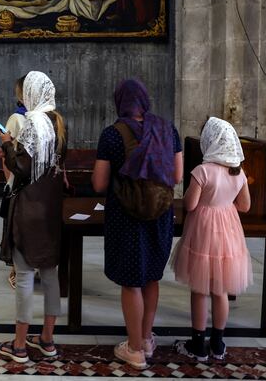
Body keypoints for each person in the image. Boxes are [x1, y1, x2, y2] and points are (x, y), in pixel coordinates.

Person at [91, 78, 183, 370]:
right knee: (151, 276)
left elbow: (99, 183)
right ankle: (145, 339)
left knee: (132, 281)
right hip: (159, 213)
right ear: (145, 100)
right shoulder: (168, 130)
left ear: (120, 102)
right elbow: (177, 176)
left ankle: (133, 350)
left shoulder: (112, 135)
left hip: (127, 216)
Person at [0, 71, 67, 364]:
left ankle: (19, 345)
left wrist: (7, 143)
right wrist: (11, 150)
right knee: (49, 274)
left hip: (29, 207)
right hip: (50, 208)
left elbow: (22, 168)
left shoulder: (33, 122)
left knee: (23, 276)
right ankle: (47, 340)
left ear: (32, 94)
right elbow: (47, 162)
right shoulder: (58, 122)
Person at [171, 117, 252, 362]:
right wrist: (225, 203)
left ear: (210, 142)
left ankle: (197, 344)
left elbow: (190, 203)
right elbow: (245, 206)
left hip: (204, 230)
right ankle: (218, 344)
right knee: (220, 290)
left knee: (199, 289)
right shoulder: (238, 171)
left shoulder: (202, 171)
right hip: (228, 232)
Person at [1, 76, 28, 290]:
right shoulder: (50, 118)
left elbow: (8, 156)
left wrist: (9, 183)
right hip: (41, 183)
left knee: (16, 228)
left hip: (19, 182)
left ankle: (17, 272)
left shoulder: (15, 119)